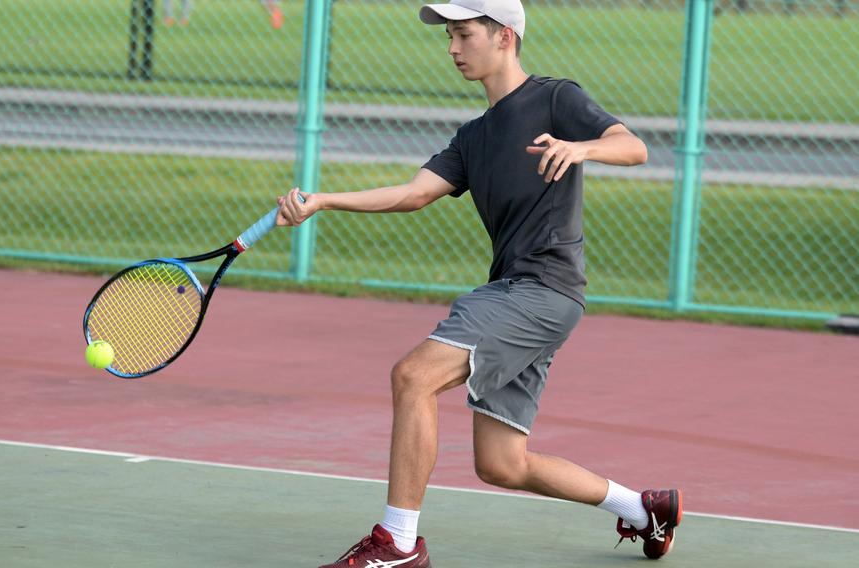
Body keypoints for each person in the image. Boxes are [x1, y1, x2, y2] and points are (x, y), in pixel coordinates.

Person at [276, 1, 682, 566]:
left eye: (464, 34)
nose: (452, 48)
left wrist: (580, 146)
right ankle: (644, 508)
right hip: (525, 293)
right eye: (449, 36)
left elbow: (633, 146)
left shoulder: (555, 98)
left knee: (413, 376)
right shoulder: (474, 135)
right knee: (502, 464)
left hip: (541, 289)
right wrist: (324, 201)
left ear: (505, 37)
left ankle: (396, 544)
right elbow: (413, 193)